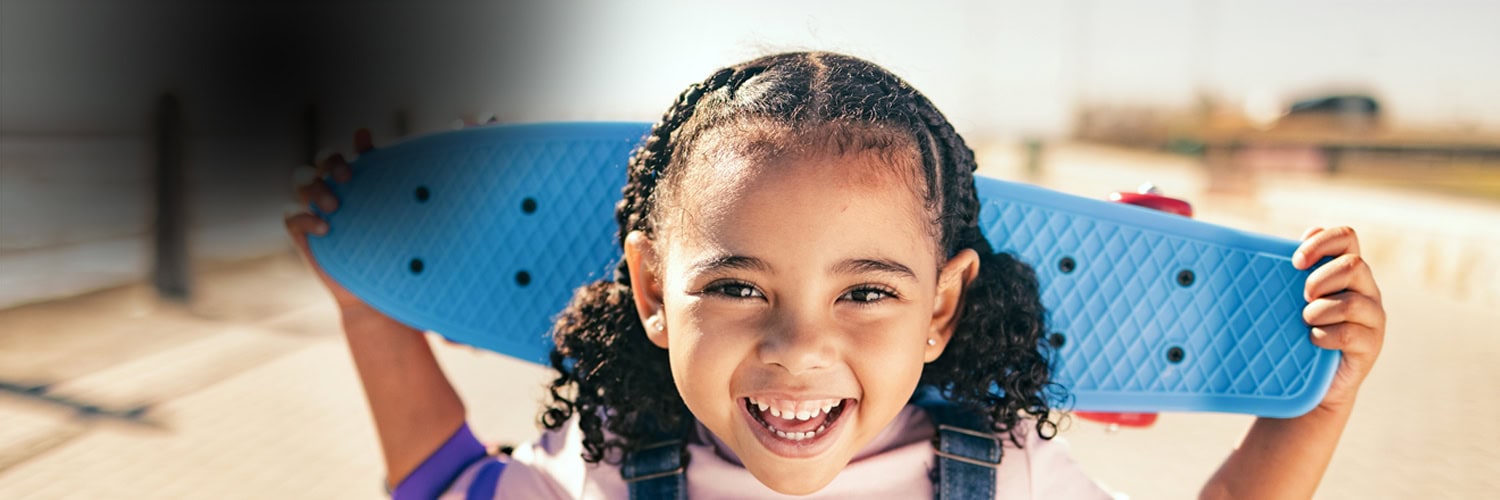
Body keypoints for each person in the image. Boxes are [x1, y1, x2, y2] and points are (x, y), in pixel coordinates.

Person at [285, 51, 1386, 499]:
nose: (797, 345)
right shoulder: (618, 463)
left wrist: (1315, 408)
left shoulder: (1000, 469)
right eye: (736, 285)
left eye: (866, 291)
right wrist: (370, 294)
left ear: (944, 305)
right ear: (653, 289)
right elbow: (447, 484)